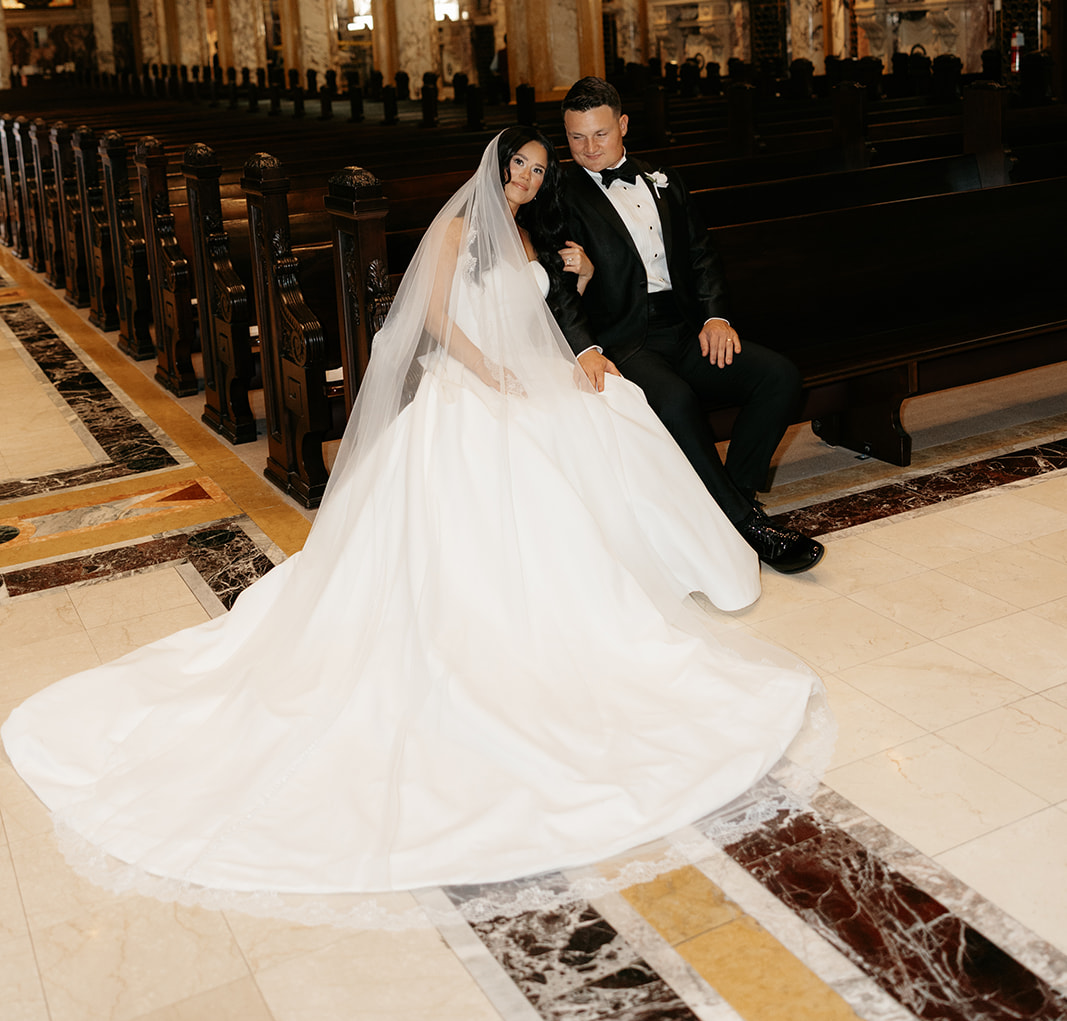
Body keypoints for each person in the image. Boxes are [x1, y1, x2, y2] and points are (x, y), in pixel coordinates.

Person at [1, 130, 823, 919]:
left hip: (528, 375)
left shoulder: (534, 238)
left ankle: (678, 553)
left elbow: (553, 314)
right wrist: (490, 373)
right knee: (530, 466)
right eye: (523, 166)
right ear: (497, 165)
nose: (531, 180)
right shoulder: (463, 226)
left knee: (622, 411)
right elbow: (433, 317)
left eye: (540, 170)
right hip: (474, 385)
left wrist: (572, 312)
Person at [554, 77, 824, 575]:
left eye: (600, 134)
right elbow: (555, 287)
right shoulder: (559, 195)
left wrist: (715, 317)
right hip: (623, 341)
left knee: (778, 376)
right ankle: (752, 528)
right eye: (576, 138)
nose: (589, 149)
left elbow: (701, 255)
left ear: (623, 125)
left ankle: (732, 500)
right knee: (674, 399)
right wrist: (584, 348)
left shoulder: (664, 178)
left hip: (684, 329)